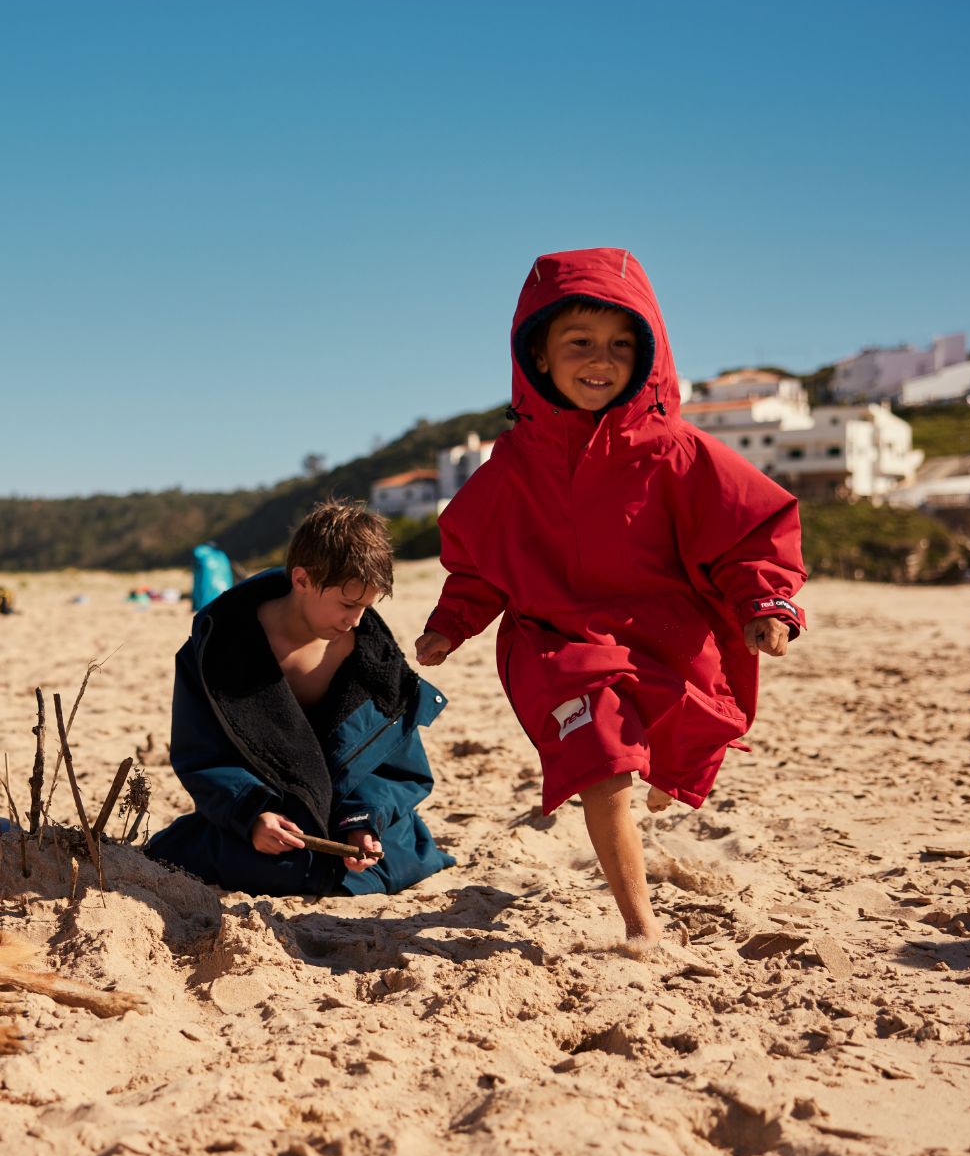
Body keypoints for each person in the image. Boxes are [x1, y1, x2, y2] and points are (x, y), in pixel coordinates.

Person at [415, 247, 806, 943]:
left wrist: (766, 602)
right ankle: (641, 927)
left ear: (649, 353)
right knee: (603, 764)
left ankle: (664, 778)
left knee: (680, 739)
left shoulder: (677, 450)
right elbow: (481, 562)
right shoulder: (512, 466)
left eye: (622, 345)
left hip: (665, 636)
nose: (602, 359)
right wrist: (453, 623)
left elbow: (751, 531)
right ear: (538, 353)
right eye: (580, 342)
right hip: (557, 644)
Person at [147, 500, 454, 897]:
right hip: (265, 828)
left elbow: (396, 767)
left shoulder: (373, 656)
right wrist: (252, 816)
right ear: (302, 579)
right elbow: (202, 755)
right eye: (347, 604)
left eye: (366, 606)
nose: (356, 620)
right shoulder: (218, 651)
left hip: (352, 830)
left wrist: (363, 820)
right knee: (242, 862)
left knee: (392, 860)